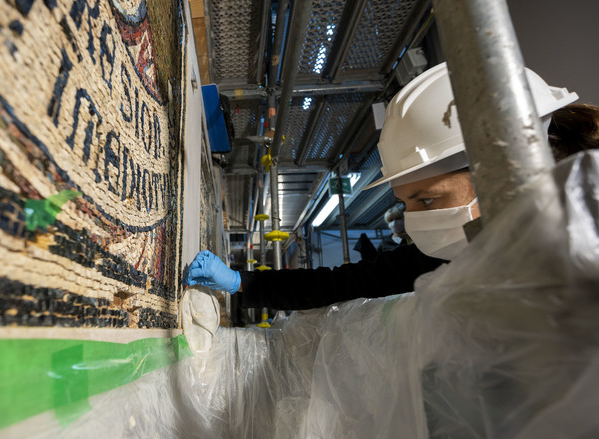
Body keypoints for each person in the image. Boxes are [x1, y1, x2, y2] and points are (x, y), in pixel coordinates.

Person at [184, 63, 579, 311]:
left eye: (427, 200)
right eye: (408, 203)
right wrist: (242, 282)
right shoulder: (437, 257)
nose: (414, 223)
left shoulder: (579, 245)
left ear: (508, 174)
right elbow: (341, 284)